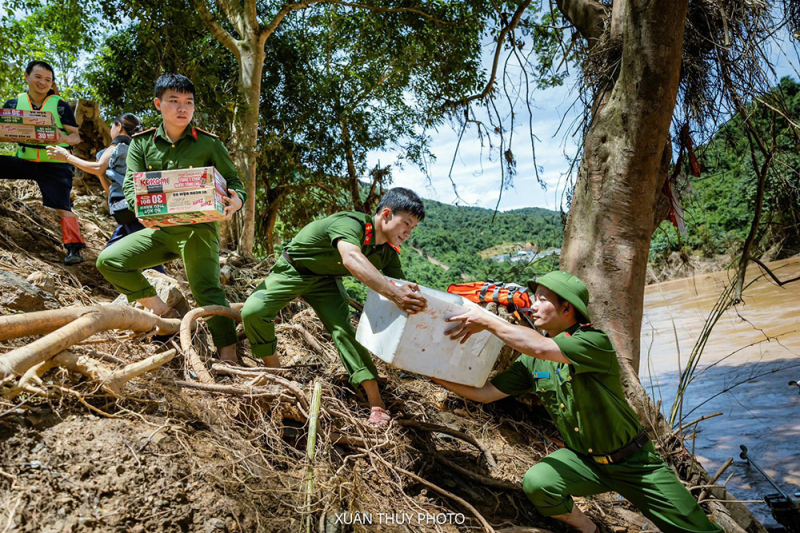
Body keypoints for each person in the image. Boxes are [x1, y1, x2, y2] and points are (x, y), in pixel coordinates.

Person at [434, 271, 723, 533]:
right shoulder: (533, 360)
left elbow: (539, 345)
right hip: (585, 461)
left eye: (542, 299)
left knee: (697, 530)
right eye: (534, 298)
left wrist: (487, 321)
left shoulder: (593, 341)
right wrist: (432, 372)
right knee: (538, 482)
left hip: (636, 463)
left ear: (567, 308)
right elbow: (485, 393)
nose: (533, 305)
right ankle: (589, 529)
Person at [240, 188, 428, 428]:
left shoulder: (387, 252)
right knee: (253, 312)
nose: (408, 233)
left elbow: (403, 288)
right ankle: (276, 377)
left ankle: (376, 404)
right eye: (406, 224)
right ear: (387, 215)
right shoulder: (351, 224)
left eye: (413, 228)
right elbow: (351, 258)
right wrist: (394, 294)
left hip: (327, 281)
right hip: (295, 269)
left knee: (344, 331)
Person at [95, 74, 245, 363]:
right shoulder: (141, 144)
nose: (182, 108)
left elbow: (234, 180)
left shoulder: (210, 144)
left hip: (198, 230)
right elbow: (131, 184)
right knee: (109, 261)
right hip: (160, 229)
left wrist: (237, 199)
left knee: (206, 290)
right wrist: (141, 210)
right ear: (158, 103)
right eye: (174, 101)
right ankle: (164, 312)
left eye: (188, 102)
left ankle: (229, 353)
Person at [47, 114, 164, 273]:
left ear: (119, 127)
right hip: (128, 210)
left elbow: (97, 167)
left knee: (149, 260)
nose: (110, 129)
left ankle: (164, 293)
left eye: (112, 125)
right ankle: (137, 291)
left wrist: (67, 157)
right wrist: (102, 173)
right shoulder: (136, 147)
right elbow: (110, 189)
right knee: (109, 256)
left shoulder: (119, 143)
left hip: (130, 210)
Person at [1, 60, 85, 264]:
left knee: (63, 206)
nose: (42, 82)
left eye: (48, 79)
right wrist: (9, 136)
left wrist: (62, 138)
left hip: (54, 164)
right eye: (38, 77)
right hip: (25, 159)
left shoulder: (60, 105)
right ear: (26, 76)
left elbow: (76, 137)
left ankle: (74, 249)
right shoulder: (13, 104)